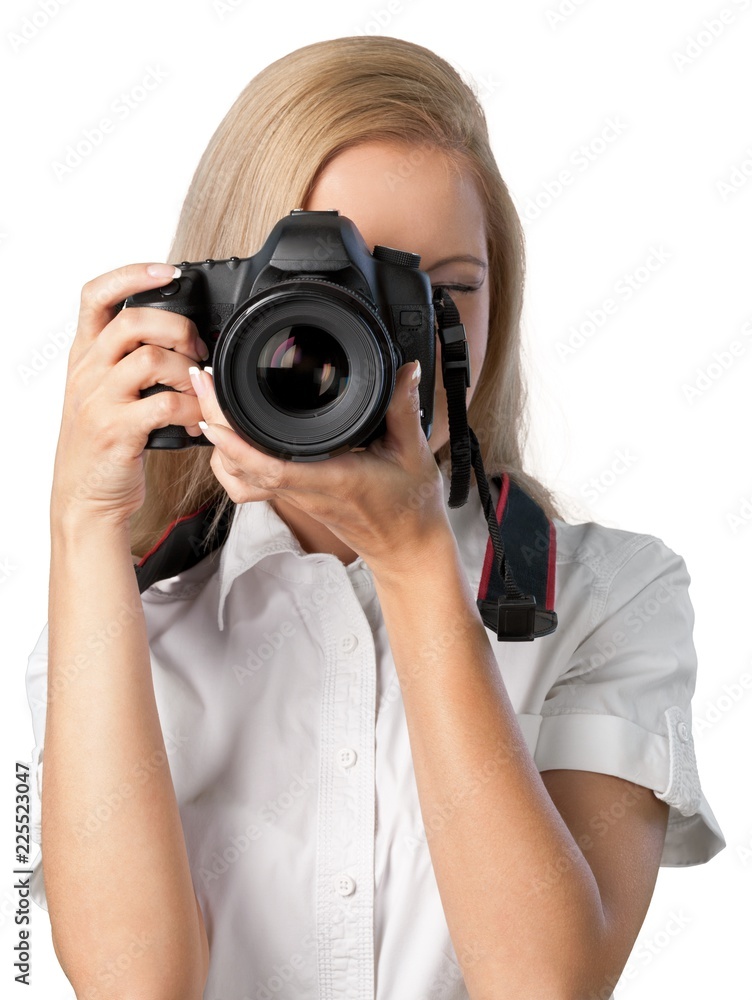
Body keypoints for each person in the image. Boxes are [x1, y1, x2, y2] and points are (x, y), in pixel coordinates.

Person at [25, 35, 725, 1000]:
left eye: (446, 292)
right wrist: (80, 527)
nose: (396, 341)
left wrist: (414, 564)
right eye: (341, 292)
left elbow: (547, 984)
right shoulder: (123, 617)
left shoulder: (610, 597)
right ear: (225, 309)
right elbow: (133, 986)